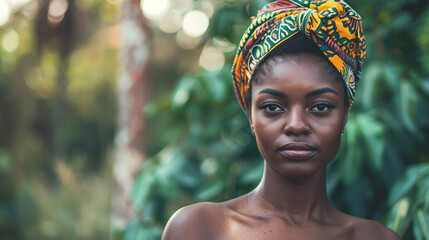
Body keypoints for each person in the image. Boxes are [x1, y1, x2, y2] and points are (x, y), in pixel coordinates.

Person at [162, 0, 401, 239]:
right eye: (273, 107)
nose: (296, 125)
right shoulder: (199, 228)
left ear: (344, 116)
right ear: (250, 115)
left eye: (320, 107)